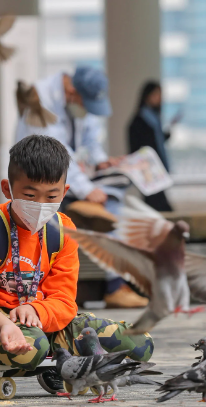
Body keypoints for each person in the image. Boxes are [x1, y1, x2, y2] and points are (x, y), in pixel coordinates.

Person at [0, 135, 154, 398]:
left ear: (65, 192)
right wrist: (6, 325)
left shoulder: (63, 229)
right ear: (7, 188)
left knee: (139, 342)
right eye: (30, 195)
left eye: (51, 196)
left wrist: (36, 308)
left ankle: (58, 362)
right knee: (33, 345)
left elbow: (64, 300)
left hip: (43, 322)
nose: (40, 205)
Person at [15, 66, 148, 308]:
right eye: (85, 104)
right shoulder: (42, 97)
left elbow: (89, 138)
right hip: (42, 181)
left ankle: (117, 284)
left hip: (66, 182)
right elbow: (57, 152)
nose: (86, 111)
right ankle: (113, 286)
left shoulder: (75, 101)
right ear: (72, 92)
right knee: (52, 231)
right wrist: (87, 190)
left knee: (114, 205)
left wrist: (101, 161)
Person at [128, 81, 175, 212]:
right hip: (148, 170)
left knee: (155, 205)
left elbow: (154, 142)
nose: (158, 98)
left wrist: (166, 135)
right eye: (155, 94)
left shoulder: (154, 118)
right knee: (159, 206)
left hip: (156, 169)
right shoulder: (140, 119)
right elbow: (142, 146)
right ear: (147, 95)